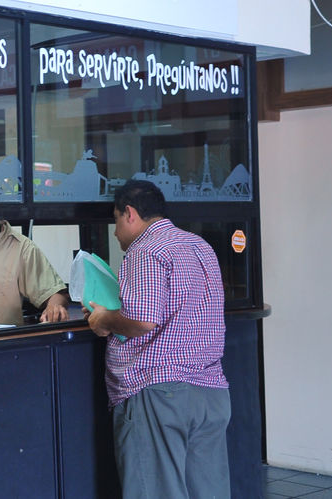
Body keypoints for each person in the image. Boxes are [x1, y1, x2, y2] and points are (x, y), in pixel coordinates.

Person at [84, 179, 230, 498]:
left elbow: (143, 320)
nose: (115, 232)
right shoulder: (199, 245)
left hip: (160, 393)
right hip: (211, 392)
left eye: (115, 220)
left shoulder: (146, 250)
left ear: (130, 213)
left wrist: (104, 319)